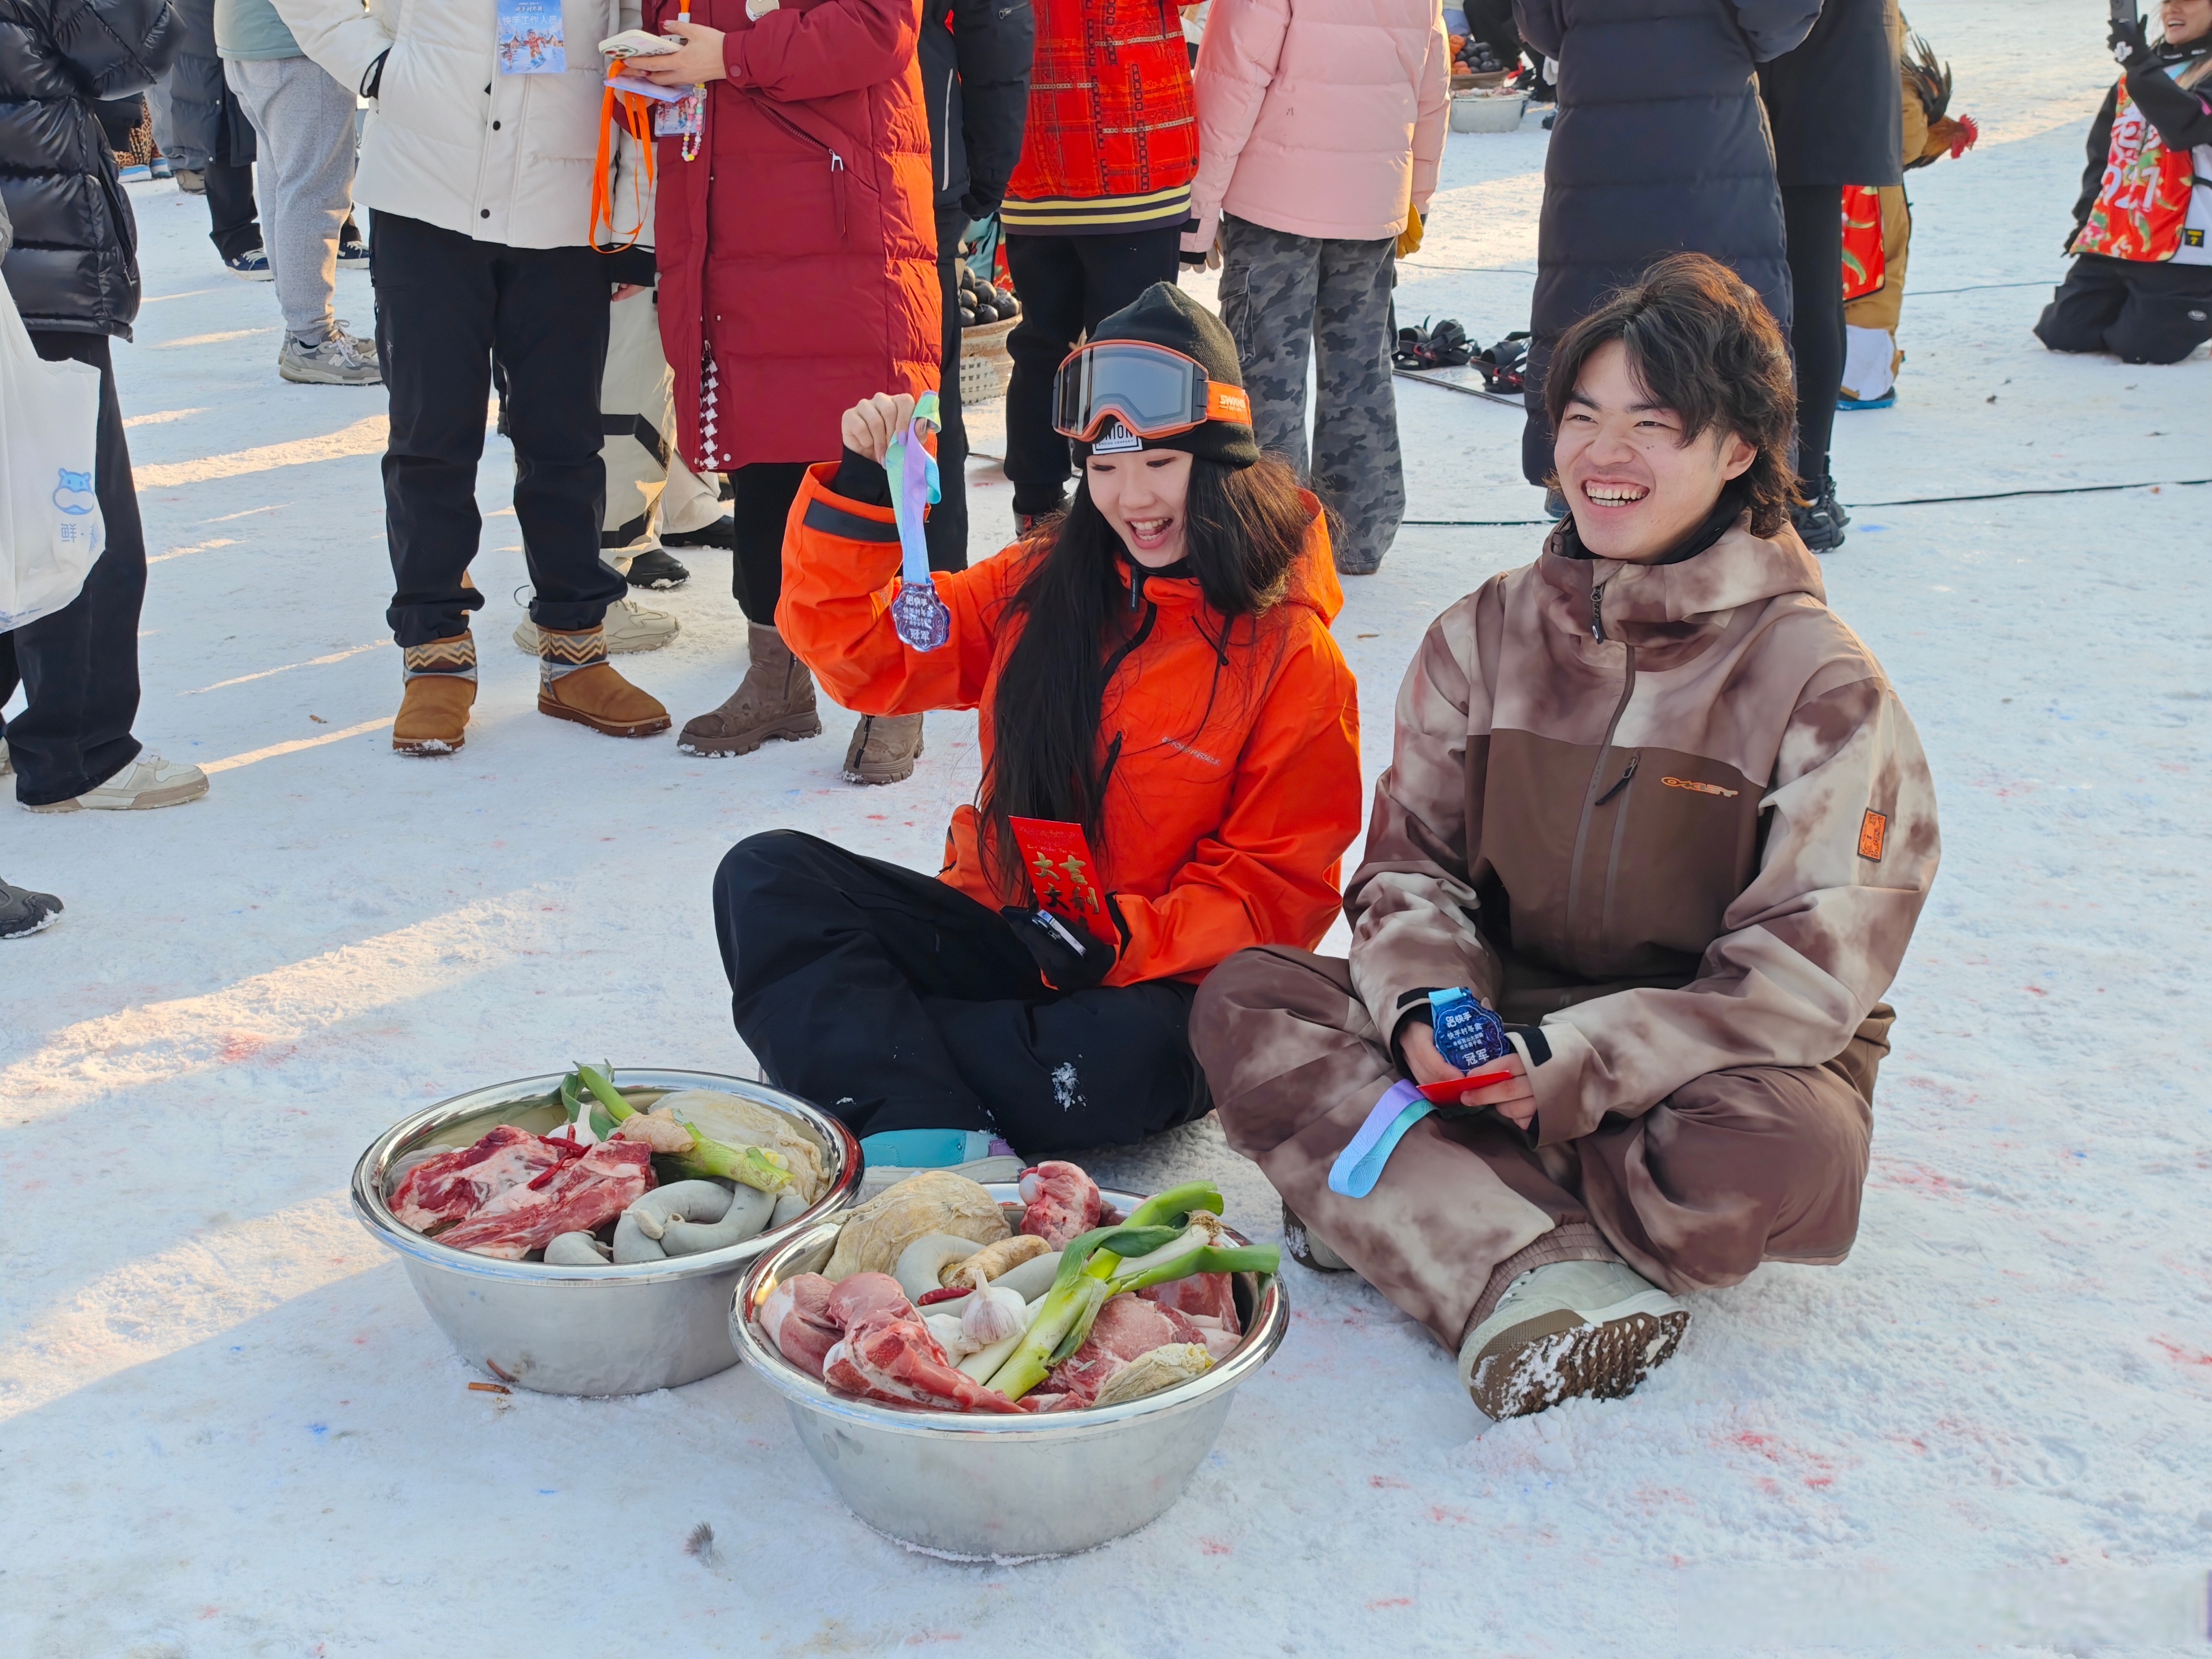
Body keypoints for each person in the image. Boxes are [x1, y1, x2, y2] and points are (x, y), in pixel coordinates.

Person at [1192, 254, 1939, 1422]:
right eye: (1583, 417)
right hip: (1494, 1025)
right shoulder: (1482, 634)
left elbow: (1801, 976)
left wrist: (1570, 1067)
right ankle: (1515, 1251)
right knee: (1248, 1000)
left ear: (1737, 450)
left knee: (1768, 1155)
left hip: (1700, 1070)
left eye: (1652, 424)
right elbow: (1407, 870)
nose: (1603, 454)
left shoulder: (1818, 683)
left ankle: (1398, 1198)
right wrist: (1432, 1018)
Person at [716, 285, 1361, 1184]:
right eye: (1104, 469)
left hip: (1151, 983)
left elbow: (1275, 890)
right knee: (765, 877)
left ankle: (863, 1059)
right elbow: (870, 659)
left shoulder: (1292, 655)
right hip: (1006, 928)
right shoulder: (1038, 582)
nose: (1132, 498)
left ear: (1222, 464)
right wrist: (864, 496)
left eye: (1160, 463)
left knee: (1112, 1062)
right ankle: (922, 1103)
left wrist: (1121, 940)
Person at [278, 0, 670, 754]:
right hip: (426, 194)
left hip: (566, 210)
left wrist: (630, 221)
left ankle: (576, 651)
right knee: (432, 437)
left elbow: (637, 50)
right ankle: (435, 652)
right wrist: (376, 66)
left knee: (566, 441)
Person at [631, 0, 941, 784]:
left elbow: (879, 28)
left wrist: (731, 57)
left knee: (877, 459)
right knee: (761, 451)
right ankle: (777, 674)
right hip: (725, 206)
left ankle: (898, 688)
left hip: (842, 216)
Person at [2, 0, 212, 816]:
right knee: (75, 510)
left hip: (26, 245)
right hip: (34, 258)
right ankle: (78, 748)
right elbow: (135, 44)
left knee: (14, 502)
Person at [1512, 0, 1817, 505]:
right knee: (1719, 327)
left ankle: (1585, 479)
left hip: (1597, 136)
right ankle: (1726, 485)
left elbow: (1541, 24)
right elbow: (1779, 20)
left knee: (1589, 309)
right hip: (1708, 143)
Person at [1186, 0, 1448, 575]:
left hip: (1272, 204)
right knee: (1362, 368)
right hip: (1372, 200)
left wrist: (1198, 212)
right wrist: (1416, 199)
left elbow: (1230, 84)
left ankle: (1267, 536)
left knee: (1264, 374)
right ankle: (1361, 533)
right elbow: (1433, 89)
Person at [998, 0, 1202, 537]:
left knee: (1042, 344)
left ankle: (1037, 507)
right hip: (1134, 153)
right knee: (1134, 355)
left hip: (1033, 147)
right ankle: (1122, 512)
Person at [1759, 0, 1901, 552]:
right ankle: (1804, 484)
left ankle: (1801, 488)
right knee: (1808, 287)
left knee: (1803, 290)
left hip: (1793, 71)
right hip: (1812, 70)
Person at [920, 0, 1033, 576]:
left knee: (792, 386)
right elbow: (995, 24)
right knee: (923, 393)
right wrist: (985, 175)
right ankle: (933, 593)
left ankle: (794, 604)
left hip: (766, 152)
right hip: (918, 157)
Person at [2035, 0, 2212, 367]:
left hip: (2186, 245)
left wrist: (2140, 64)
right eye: (2167, 0)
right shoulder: (2142, 72)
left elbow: (2188, 126)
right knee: (2065, 335)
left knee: (2142, 349)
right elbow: (2105, 155)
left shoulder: (2149, 71)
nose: (2172, 8)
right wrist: (2087, 221)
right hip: (2119, 237)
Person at [216, 0, 376, 383]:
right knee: (314, 192)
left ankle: (303, 333)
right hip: (299, 42)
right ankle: (312, 340)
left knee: (288, 186)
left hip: (253, 37)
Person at [1837, 17, 1980, 410]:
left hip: (1823, 183)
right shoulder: (1895, 68)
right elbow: (1906, 142)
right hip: (1872, 191)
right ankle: (1861, 383)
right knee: (1875, 281)